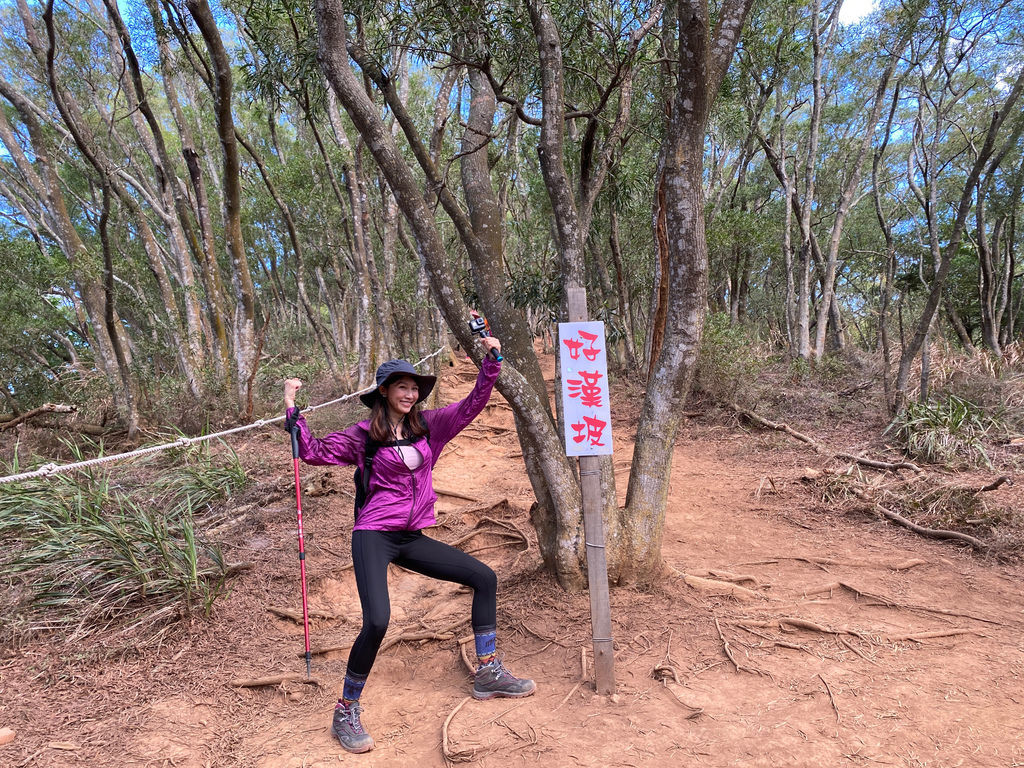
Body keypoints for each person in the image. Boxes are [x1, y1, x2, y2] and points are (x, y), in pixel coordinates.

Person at [283, 336, 535, 754]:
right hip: (373, 536)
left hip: (412, 537)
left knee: (484, 577)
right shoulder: (363, 436)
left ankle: (488, 672)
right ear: (384, 391)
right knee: (377, 621)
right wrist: (292, 406)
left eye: (414, 387)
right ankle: (345, 710)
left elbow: (471, 406)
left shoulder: (428, 426)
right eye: (402, 386)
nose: (410, 393)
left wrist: (491, 363)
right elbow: (311, 452)